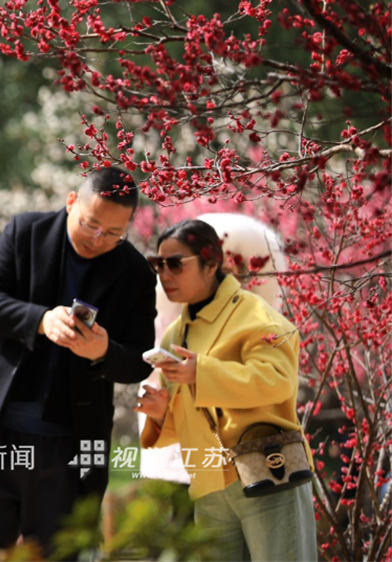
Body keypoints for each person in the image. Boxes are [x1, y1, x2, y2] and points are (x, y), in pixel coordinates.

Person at [0, 167, 157, 561]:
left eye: (114, 233)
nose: (98, 239)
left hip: (73, 444)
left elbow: (139, 359)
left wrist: (104, 352)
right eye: (91, 224)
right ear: (71, 202)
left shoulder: (135, 273)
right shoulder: (26, 232)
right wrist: (40, 320)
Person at [135, 218, 317, 561]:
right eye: (158, 264)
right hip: (207, 483)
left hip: (267, 471)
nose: (165, 274)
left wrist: (202, 373)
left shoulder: (256, 315)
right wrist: (161, 417)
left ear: (211, 265)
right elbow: (191, 417)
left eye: (176, 264)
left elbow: (277, 380)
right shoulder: (176, 334)